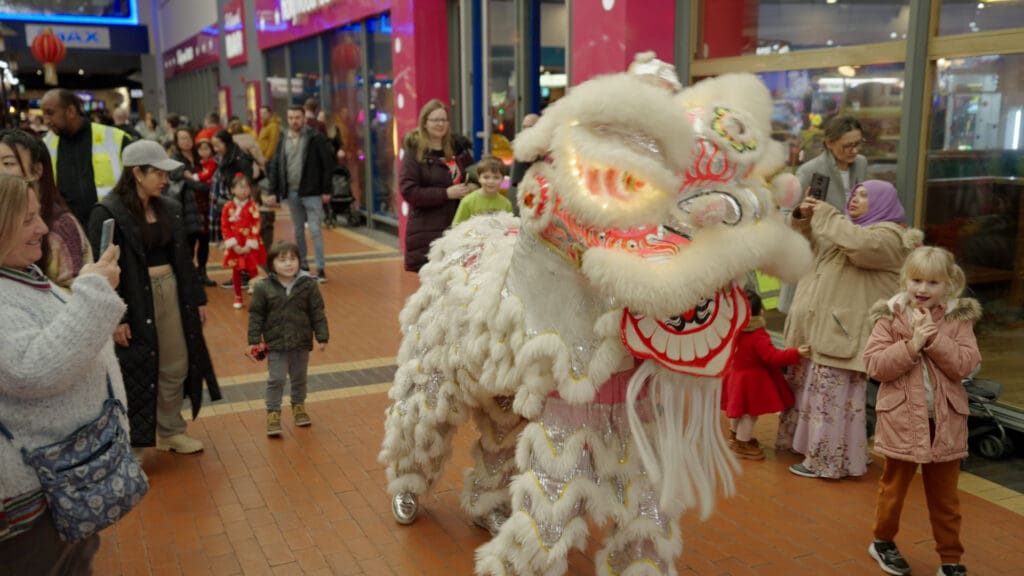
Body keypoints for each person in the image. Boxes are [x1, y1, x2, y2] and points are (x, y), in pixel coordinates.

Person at [0, 174, 125, 574]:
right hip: (34, 502)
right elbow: (34, 369)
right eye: (27, 219)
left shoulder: (20, 273)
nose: (42, 228)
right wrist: (92, 294)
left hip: (65, 483)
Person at [777, 180, 921, 479]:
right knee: (811, 395)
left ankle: (828, 461)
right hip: (819, 332)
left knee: (833, 401)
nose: (856, 199)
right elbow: (803, 241)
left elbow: (861, 246)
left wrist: (827, 215)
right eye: (854, 194)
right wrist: (804, 217)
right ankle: (825, 449)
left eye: (865, 195)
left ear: (883, 202)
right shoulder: (842, 228)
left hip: (843, 334)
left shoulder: (891, 238)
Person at [87, 139, 220, 456]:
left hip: (170, 291)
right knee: (138, 369)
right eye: (158, 173)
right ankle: (138, 442)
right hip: (133, 299)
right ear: (137, 173)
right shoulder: (108, 213)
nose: (165, 179)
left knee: (177, 364)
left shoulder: (169, 208)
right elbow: (102, 268)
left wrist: (197, 299)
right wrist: (117, 317)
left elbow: (184, 260)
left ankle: (171, 429)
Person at [863, 246, 981, 576]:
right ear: (905, 280)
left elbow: (965, 365)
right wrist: (912, 343)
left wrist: (933, 339)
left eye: (933, 282)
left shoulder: (959, 319)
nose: (923, 289)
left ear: (948, 284)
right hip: (901, 420)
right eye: (916, 280)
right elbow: (874, 366)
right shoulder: (889, 316)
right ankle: (883, 541)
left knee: (945, 500)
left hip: (946, 423)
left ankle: (951, 560)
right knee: (893, 490)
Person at [247, 240, 329, 436]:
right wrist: (253, 340)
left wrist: (322, 335)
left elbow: (317, 312)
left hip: (301, 342)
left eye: (293, 259)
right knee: (276, 379)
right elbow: (256, 314)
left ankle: (298, 407)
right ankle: (273, 413)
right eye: (282, 260)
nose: (288, 263)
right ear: (272, 263)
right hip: (275, 343)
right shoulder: (263, 287)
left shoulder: (308, 285)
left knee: (299, 378)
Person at [721, 288, 810, 460]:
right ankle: (742, 443)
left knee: (738, 410)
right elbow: (772, 356)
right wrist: (796, 353)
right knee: (749, 414)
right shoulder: (757, 335)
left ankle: (735, 436)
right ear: (759, 311)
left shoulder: (732, 330)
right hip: (752, 382)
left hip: (735, 376)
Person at [0, 128, 92, 289]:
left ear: (37, 170)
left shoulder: (60, 227)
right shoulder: (6, 214)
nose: (1, 171)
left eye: (8, 163)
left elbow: (79, 294)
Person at [399, 99, 476, 272]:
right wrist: (446, 194)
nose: (440, 124)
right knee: (433, 291)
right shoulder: (415, 153)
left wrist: (473, 186)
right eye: (435, 120)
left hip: (458, 228)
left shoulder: (458, 150)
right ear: (425, 123)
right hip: (427, 233)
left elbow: (476, 175)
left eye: (444, 120)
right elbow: (409, 191)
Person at [40, 88, 131, 226]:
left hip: (112, 224)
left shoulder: (115, 138)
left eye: (50, 113)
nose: (46, 121)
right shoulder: (45, 145)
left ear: (71, 111)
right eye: (44, 115)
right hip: (68, 229)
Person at [267, 105, 334, 282]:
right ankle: (303, 266)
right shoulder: (283, 139)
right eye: (290, 118)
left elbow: (327, 164)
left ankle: (320, 268)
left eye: (297, 117)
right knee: (297, 231)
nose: (294, 121)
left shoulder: (315, 138)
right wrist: (273, 190)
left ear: (304, 119)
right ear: (287, 119)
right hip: (292, 192)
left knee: (315, 230)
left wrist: (327, 189)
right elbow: (276, 165)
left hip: (312, 192)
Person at [169, 128, 215, 286]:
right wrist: (203, 186)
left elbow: (210, 172)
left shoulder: (199, 155)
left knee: (204, 240)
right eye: (182, 138)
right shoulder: (176, 158)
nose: (186, 141)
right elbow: (177, 177)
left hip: (203, 204)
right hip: (186, 205)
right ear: (177, 141)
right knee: (189, 241)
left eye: (188, 138)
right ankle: (189, 275)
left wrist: (199, 183)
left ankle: (202, 272)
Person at [795, 114, 869, 210]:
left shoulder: (861, 162)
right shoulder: (809, 171)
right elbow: (787, 213)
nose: (855, 150)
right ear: (829, 143)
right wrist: (802, 213)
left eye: (858, 143)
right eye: (847, 146)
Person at [221, 173, 266, 309]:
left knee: (253, 270)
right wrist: (233, 244)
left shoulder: (252, 206)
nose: (244, 190)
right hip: (235, 244)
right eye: (241, 187)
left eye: (247, 187)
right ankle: (238, 296)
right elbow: (224, 225)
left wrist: (249, 244)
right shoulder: (228, 207)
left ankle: (258, 298)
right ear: (232, 190)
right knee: (236, 271)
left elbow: (256, 224)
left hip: (249, 244)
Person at [451, 156, 512, 226]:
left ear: (503, 180)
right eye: (486, 177)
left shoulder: (506, 204)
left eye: (496, 178)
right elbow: (456, 227)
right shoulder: (467, 201)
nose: (491, 181)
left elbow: (509, 228)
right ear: (479, 178)